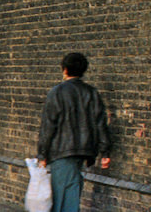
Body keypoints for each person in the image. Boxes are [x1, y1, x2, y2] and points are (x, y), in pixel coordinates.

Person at [37, 52, 111, 212]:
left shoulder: (56, 92)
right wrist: (105, 152)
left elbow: (48, 126)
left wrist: (42, 154)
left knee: (63, 199)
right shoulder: (91, 92)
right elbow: (100, 123)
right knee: (71, 191)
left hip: (62, 152)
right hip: (83, 151)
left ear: (64, 70)